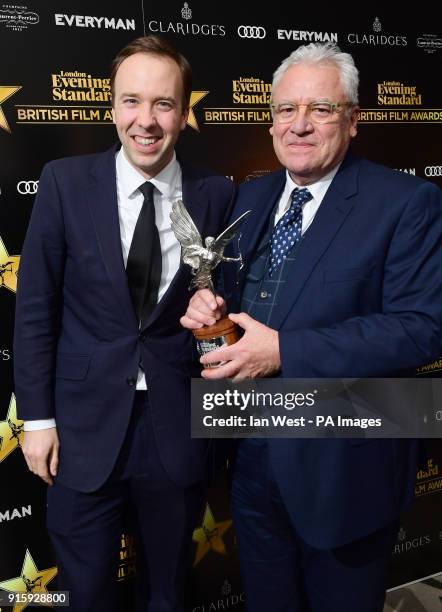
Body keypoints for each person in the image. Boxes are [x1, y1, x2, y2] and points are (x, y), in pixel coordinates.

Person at [181, 43, 441, 612]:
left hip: (346, 466)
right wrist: (209, 312)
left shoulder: (406, 201)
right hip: (250, 462)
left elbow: (422, 328)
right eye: (285, 109)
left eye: (320, 109)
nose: (299, 125)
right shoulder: (249, 198)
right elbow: (246, 303)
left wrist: (285, 352)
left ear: (352, 121)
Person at [14, 35, 234, 612]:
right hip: (82, 430)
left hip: (175, 428)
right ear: (111, 107)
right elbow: (36, 308)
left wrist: (217, 322)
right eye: (131, 101)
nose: (146, 121)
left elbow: (224, 311)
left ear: (185, 113)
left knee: (168, 590)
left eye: (164, 104)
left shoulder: (216, 193)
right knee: (85, 593)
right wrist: (36, 419)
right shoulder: (64, 182)